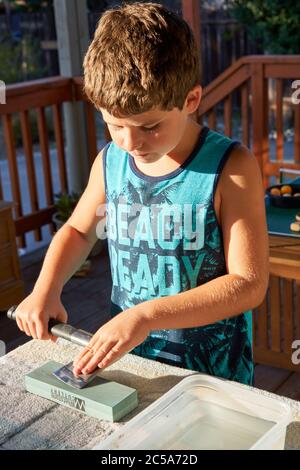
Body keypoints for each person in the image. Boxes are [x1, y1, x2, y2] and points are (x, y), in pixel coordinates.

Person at [14, 2, 269, 385]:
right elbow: (81, 231)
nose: (130, 142)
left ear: (191, 100)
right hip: (132, 360)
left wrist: (146, 315)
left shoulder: (231, 166)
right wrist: (45, 289)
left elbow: (247, 283)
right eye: (114, 125)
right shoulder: (110, 161)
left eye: (149, 126)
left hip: (212, 374)